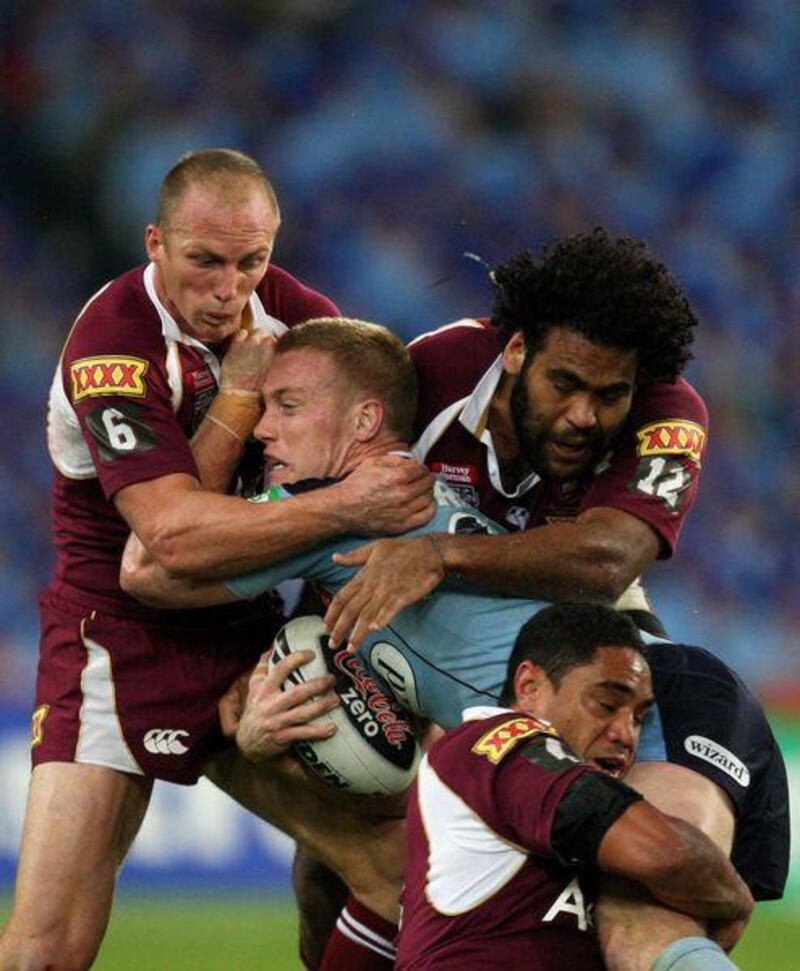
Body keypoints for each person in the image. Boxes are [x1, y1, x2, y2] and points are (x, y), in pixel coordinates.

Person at [122, 317, 788, 970]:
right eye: (262, 408)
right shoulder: (386, 512)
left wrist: (235, 403)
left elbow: (153, 566)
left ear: (361, 421)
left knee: (636, 923)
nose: (265, 428)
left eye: (287, 407)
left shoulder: (340, 510)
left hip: (652, 698)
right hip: (600, 710)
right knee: (352, 878)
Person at [0, 152, 433, 971]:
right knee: (48, 950)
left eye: (252, 262)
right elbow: (166, 542)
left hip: (250, 633)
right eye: (204, 261)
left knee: (394, 870)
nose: (229, 291)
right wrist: (244, 404)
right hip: (117, 640)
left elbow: (359, 456)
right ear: (156, 243)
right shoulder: (112, 345)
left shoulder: (301, 320)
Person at [324, 227, 705, 647]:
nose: (583, 417)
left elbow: (609, 561)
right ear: (517, 350)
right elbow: (342, 515)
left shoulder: (669, 415)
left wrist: (440, 553)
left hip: (571, 594)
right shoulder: (438, 369)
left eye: (611, 394)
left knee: (689, 688)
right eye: (564, 384)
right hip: (424, 587)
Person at [396, 603, 753, 971]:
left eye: (639, 718)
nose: (625, 734)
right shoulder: (494, 743)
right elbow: (663, 855)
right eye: (606, 704)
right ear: (529, 686)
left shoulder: (558, 831)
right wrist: (736, 897)